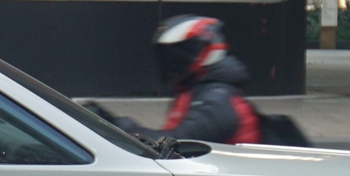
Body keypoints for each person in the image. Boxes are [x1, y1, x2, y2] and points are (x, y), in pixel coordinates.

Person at [104, 14, 262, 145]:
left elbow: (176, 144)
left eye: (175, 55)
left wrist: (122, 128)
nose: (169, 62)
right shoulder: (194, 88)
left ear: (201, 52)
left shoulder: (216, 100)